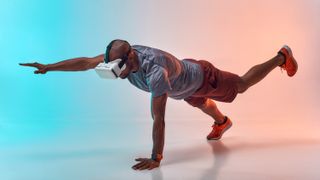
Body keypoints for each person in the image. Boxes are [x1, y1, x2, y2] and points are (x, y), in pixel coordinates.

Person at [19, 39, 298, 170]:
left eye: (116, 66)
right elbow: (86, 63)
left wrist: (157, 157)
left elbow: (159, 119)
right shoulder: (122, 58)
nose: (112, 70)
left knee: (241, 85)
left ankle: (280, 57)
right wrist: (48, 67)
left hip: (203, 76)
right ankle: (222, 123)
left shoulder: (156, 73)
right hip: (184, 86)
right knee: (202, 105)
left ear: (130, 59)